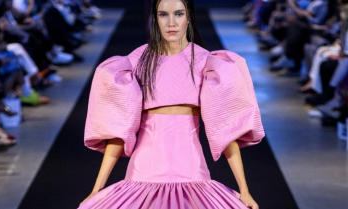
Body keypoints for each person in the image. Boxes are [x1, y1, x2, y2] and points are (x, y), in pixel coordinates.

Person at [79, 0, 265, 208]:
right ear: (155, 19)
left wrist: (245, 190)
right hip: (143, 176)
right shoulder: (136, 62)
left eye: (178, 14)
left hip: (192, 177)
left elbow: (226, 131)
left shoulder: (207, 63)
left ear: (189, 18)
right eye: (163, 15)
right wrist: (96, 190)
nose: (171, 23)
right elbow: (118, 132)